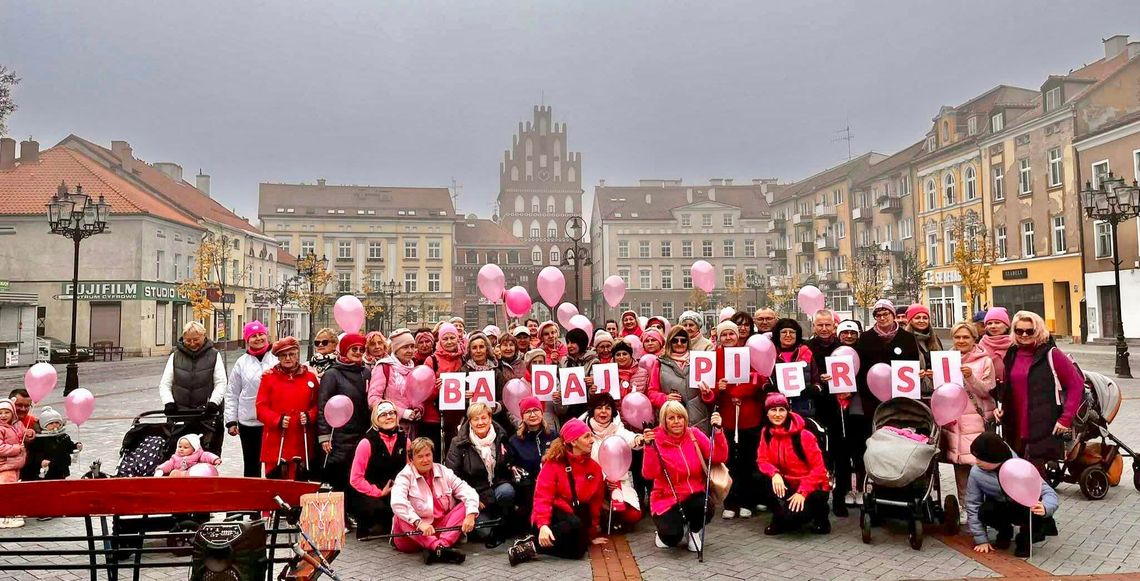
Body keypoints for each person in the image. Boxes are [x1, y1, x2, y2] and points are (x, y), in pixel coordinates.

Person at [506, 418, 608, 566]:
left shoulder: (594, 468)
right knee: (575, 524)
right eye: (587, 436)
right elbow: (542, 497)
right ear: (573, 441)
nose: (592, 440)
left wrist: (591, 534)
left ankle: (533, 545)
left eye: (591, 435)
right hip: (551, 515)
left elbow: (595, 502)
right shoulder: (553, 464)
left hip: (575, 517)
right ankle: (532, 544)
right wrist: (543, 525)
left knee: (578, 551)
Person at [997, 311, 1084, 474]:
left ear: (1038, 331)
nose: (1024, 335)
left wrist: (1065, 419)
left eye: (1029, 331)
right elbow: (1007, 386)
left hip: (1042, 426)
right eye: (1019, 331)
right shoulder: (1011, 354)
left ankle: (1043, 499)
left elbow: (1076, 384)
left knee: (1034, 474)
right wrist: (1001, 407)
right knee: (1019, 472)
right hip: (1014, 426)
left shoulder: (1052, 354)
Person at [641, 401, 727, 551]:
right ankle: (668, 532)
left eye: (680, 417)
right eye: (671, 418)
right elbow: (649, 474)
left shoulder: (694, 434)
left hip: (694, 494)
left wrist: (718, 431)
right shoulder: (656, 439)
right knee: (671, 538)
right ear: (664, 421)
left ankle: (694, 531)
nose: (676, 422)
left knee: (705, 506)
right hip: (666, 499)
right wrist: (648, 447)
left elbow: (719, 456)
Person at [706, 321, 764, 520]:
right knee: (729, 461)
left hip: (748, 415)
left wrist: (741, 390)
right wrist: (717, 387)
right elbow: (707, 387)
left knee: (748, 460)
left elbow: (759, 378)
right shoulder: (714, 356)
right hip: (727, 417)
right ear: (719, 338)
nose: (728, 338)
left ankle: (748, 501)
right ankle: (731, 501)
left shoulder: (748, 353)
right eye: (724, 335)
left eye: (732, 334)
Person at [967, 432, 1059, 558]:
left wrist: (1045, 507)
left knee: (1034, 512)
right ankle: (1004, 531)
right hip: (999, 506)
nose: (976, 462)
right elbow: (973, 504)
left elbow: (1049, 492)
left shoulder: (1021, 468)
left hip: (1022, 507)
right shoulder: (976, 473)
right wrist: (981, 540)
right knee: (984, 511)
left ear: (994, 459)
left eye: (980, 458)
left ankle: (1025, 540)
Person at [390, 437, 479, 564]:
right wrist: (419, 523)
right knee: (400, 516)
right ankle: (439, 548)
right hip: (412, 537)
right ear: (411, 459)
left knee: (467, 506)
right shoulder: (404, 475)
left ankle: (439, 548)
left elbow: (467, 491)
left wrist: (471, 515)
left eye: (428, 455)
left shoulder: (443, 471)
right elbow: (397, 502)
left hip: (439, 531)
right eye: (420, 456)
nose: (425, 460)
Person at [755, 393, 831, 535]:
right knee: (759, 478)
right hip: (787, 482)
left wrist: (802, 492)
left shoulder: (804, 435)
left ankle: (820, 514)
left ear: (788, 411)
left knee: (795, 519)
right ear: (767, 412)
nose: (777, 414)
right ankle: (779, 517)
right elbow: (762, 460)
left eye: (781, 410)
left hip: (811, 487)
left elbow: (819, 470)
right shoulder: (766, 432)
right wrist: (774, 474)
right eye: (773, 410)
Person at [446, 403, 515, 547]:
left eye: (484, 417)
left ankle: (503, 518)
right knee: (484, 533)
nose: (480, 422)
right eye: (476, 419)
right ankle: (493, 524)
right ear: (469, 421)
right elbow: (453, 476)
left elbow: (507, 468)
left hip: (496, 488)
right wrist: (474, 498)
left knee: (507, 491)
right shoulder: (458, 443)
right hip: (474, 494)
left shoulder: (501, 436)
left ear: (490, 418)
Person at [942, 322, 997, 502]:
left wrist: (970, 377)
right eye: (957, 337)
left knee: (979, 466)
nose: (961, 340)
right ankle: (964, 505)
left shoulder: (984, 360)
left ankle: (980, 505)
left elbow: (987, 390)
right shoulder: (945, 358)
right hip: (955, 421)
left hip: (976, 422)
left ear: (975, 338)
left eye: (966, 337)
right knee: (960, 466)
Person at [255, 337, 319, 481]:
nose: (288, 358)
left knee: (300, 484)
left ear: (297, 354)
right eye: (283, 355)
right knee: (276, 486)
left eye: (291, 354)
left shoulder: (310, 377)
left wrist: (310, 416)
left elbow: (317, 405)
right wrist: (277, 419)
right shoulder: (269, 378)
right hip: (277, 440)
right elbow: (261, 408)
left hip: (301, 439)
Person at [318, 333, 372, 497]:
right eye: (353, 348)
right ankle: (341, 513)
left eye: (360, 349)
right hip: (339, 435)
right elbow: (323, 405)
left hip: (361, 432)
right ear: (344, 350)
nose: (357, 352)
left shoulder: (366, 372)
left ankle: (354, 511)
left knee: (357, 474)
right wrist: (324, 435)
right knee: (340, 476)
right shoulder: (332, 374)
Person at [159, 321, 226, 454]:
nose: (192, 343)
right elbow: (165, 384)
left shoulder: (214, 355)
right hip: (180, 414)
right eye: (188, 340)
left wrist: (214, 402)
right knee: (177, 454)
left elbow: (221, 382)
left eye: (196, 339)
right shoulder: (175, 356)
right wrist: (169, 403)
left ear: (203, 336)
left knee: (207, 454)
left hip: (206, 415)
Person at [581, 393, 644, 530]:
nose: (603, 412)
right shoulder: (584, 432)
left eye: (607, 408)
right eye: (599, 408)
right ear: (592, 411)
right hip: (593, 483)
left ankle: (614, 514)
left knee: (634, 515)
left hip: (618, 482)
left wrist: (639, 439)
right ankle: (605, 513)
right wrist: (603, 480)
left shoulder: (618, 429)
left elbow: (629, 437)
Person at [806, 310, 847, 515]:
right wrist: (816, 381)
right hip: (814, 405)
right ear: (814, 326)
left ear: (834, 326)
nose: (824, 329)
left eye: (827, 325)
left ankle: (840, 497)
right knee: (816, 452)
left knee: (840, 452)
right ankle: (816, 495)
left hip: (839, 405)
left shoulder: (843, 348)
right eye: (820, 325)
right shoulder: (807, 348)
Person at [225, 321, 278, 478]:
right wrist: (231, 421)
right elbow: (232, 393)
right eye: (253, 336)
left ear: (266, 335)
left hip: (273, 420)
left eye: (260, 334)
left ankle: (274, 498)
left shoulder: (276, 358)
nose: (258, 338)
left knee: (274, 464)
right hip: (249, 421)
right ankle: (253, 499)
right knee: (251, 465)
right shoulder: (242, 362)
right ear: (247, 340)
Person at [349, 400, 408, 538]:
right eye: (383, 414)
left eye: (392, 413)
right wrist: (379, 492)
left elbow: (410, 471)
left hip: (397, 491)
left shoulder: (405, 441)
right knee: (378, 512)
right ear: (376, 419)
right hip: (372, 493)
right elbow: (355, 479)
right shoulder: (366, 443)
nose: (389, 417)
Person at [855, 299, 919, 417]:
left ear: (893, 315)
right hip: (872, 396)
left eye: (886, 314)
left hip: (901, 394)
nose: (882, 318)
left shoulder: (907, 338)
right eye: (878, 315)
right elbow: (861, 368)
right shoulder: (865, 338)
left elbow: (914, 364)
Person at [506, 397, 558, 525]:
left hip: (552, 485)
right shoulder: (515, 441)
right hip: (527, 488)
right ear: (522, 416)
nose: (533, 414)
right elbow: (512, 467)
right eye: (528, 412)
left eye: (536, 410)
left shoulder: (554, 436)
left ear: (542, 413)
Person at [647, 327, 709, 428]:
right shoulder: (659, 363)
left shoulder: (700, 360)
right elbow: (651, 392)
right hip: (672, 420)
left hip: (699, 419)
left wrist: (707, 394)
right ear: (670, 343)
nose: (679, 343)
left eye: (683, 340)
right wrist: (665, 398)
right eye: (675, 340)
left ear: (688, 342)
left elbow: (711, 394)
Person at [425, 323, 464, 451]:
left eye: (452, 338)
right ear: (439, 340)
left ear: (458, 338)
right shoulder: (431, 360)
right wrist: (437, 387)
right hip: (436, 416)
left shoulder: (463, 358)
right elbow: (424, 392)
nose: (449, 342)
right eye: (445, 338)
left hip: (458, 416)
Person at [770, 318, 819, 418]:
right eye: (784, 332)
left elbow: (817, 381)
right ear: (777, 334)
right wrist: (768, 387)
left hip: (803, 408)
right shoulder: (770, 354)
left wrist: (813, 389)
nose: (788, 335)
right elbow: (763, 379)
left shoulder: (806, 352)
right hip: (777, 410)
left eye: (792, 332)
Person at [23, 406, 81, 481]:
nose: (54, 425)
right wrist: (41, 461)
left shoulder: (64, 436)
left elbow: (68, 447)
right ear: (44, 425)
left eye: (57, 422)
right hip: (46, 468)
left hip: (61, 467)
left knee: (60, 480)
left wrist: (75, 446)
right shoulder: (39, 439)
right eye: (51, 423)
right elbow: (34, 454)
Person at [555, 328, 596, 422]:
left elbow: (598, 387)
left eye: (573, 342)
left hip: (587, 408)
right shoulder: (563, 361)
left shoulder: (593, 361)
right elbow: (559, 382)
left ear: (581, 342)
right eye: (568, 342)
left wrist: (593, 381)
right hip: (568, 410)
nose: (569, 346)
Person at [905, 304, 943, 397]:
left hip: (937, 390)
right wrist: (916, 374)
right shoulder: (904, 340)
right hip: (914, 392)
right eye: (917, 317)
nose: (921, 321)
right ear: (910, 320)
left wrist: (936, 373)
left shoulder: (935, 339)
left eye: (925, 318)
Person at [0, 399, 27, 528]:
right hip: (6, 466)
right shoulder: (0, 429)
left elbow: (21, 435)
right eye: (0, 413)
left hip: (14, 465)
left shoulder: (14, 426)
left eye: (7, 412)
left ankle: (11, 514)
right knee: (7, 491)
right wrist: (16, 449)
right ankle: (6, 516)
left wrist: (29, 434)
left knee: (12, 489)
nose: (3, 415)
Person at [154, 434, 222, 476]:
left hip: (194, 476)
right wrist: (161, 469)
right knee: (174, 472)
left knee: (196, 472)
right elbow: (168, 464)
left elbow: (207, 455)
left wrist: (215, 459)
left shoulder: (199, 455)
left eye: (185, 447)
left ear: (194, 448)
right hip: (179, 478)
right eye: (180, 447)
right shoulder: (175, 458)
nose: (181, 449)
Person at [980, 307, 1012, 388]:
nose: (993, 326)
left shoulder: (1014, 343)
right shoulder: (981, 344)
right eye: (989, 323)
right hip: (988, 389)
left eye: (997, 322)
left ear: (1007, 325)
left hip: (1011, 388)